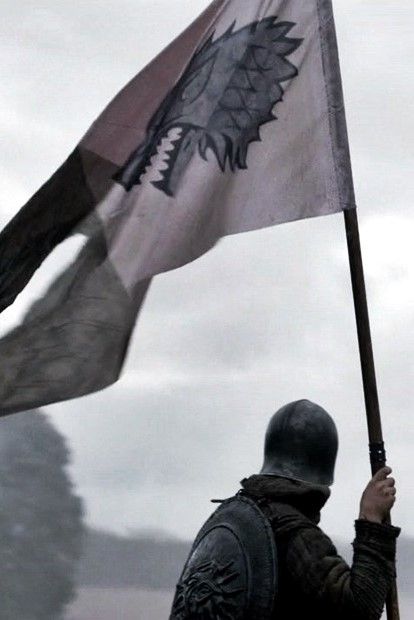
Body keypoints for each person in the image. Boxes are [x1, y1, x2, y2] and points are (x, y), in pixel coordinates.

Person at [170, 399, 400, 620]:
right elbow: (358, 608)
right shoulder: (294, 533)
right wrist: (371, 521)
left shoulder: (236, 520)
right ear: (323, 463)